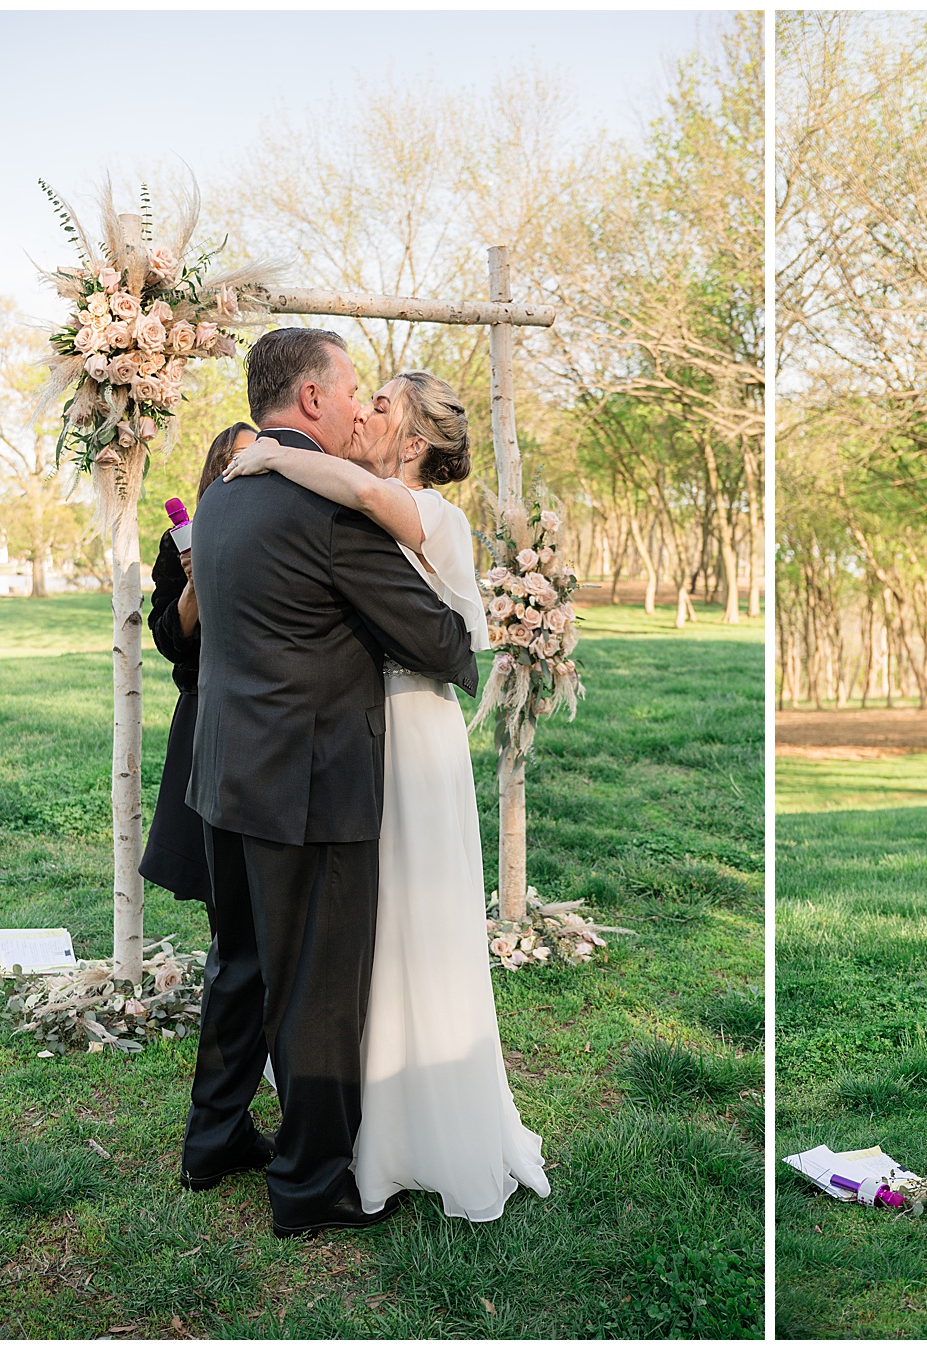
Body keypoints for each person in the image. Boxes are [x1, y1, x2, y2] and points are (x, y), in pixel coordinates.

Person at [223, 369, 550, 1222]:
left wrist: (270, 454)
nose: (364, 410)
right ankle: (374, 1119)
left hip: (410, 734)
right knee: (370, 930)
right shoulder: (370, 503)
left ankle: (424, 1127)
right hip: (370, 734)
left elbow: (342, 482)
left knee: (415, 924)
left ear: (412, 444)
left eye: (381, 404)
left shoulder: (426, 512)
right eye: (360, 396)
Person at [181, 328, 481, 1239]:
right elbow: (439, 642)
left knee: (239, 966)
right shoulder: (331, 513)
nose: (360, 406)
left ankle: (213, 1139)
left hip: (224, 771)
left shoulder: (224, 495)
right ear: (311, 399)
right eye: (352, 390)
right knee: (316, 988)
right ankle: (309, 1188)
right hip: (309, 783)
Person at [139, 422, 257, 912]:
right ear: (218, 467)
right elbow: (169, 640)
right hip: (202, 708)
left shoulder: (275, 529)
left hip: (262, 704)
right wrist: (195, 584)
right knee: (216, 870)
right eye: (238, 458)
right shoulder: (183, 541)